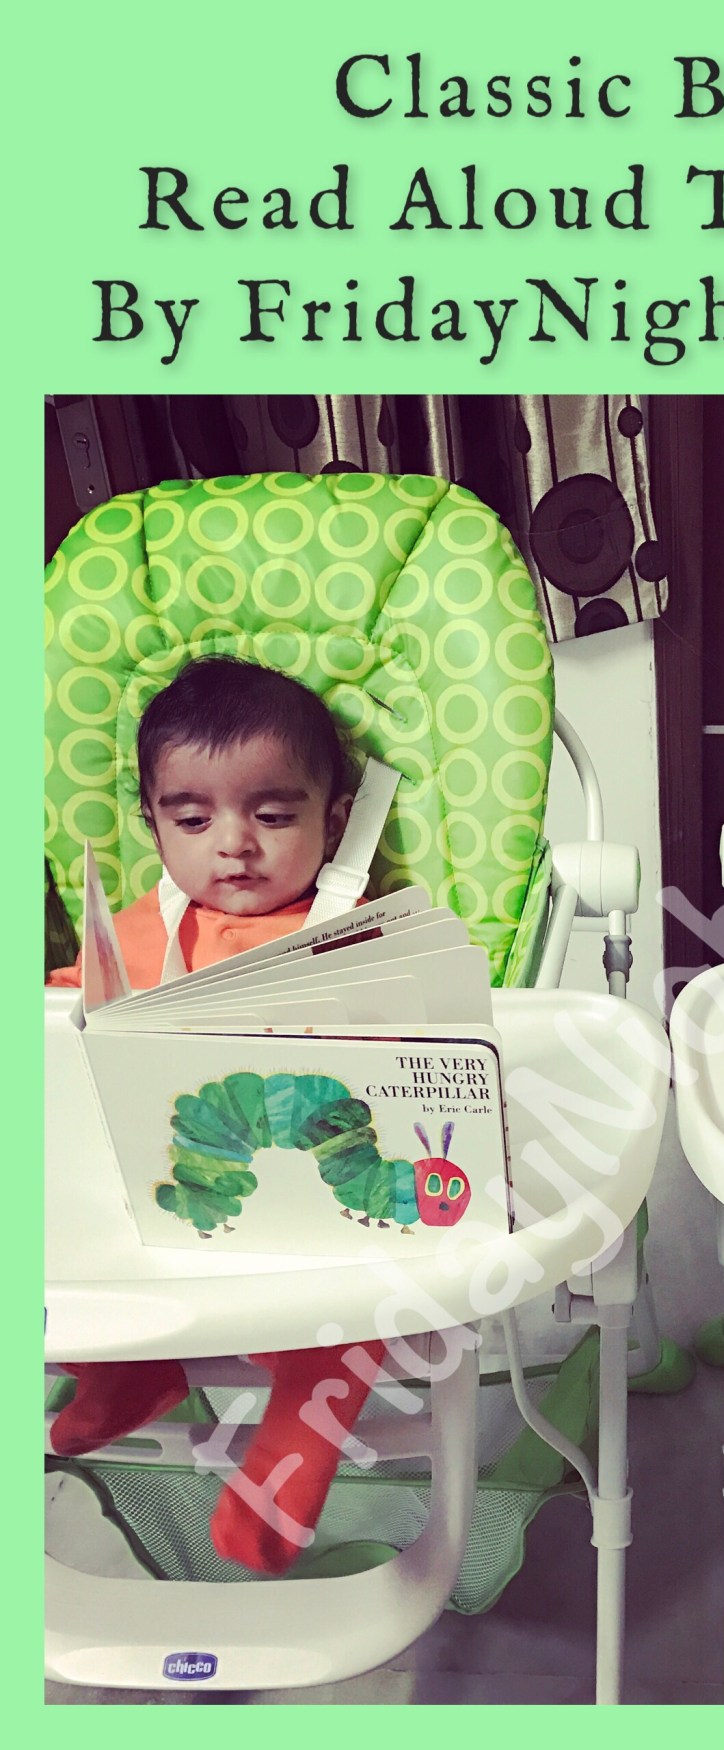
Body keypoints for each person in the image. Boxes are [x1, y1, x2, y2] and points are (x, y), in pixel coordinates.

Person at [48, 655, 387, 1574]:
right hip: (168, 1194)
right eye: (193, 821)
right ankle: (127, 1370)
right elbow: (66, 1017)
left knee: (366, 1307)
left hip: (317, 1217)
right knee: (67, 1236)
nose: (233, 846)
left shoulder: (362, 932)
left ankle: (291, 1461)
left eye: (273, 816)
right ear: (154, 825)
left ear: (335, 820)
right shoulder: (142, 929)